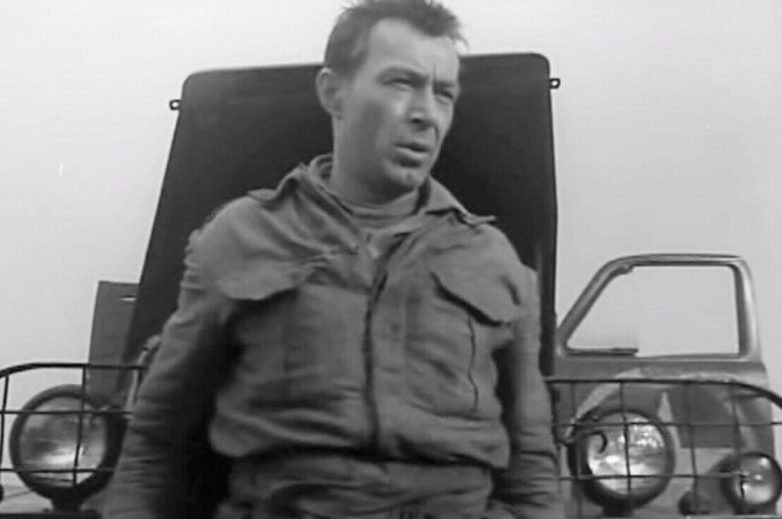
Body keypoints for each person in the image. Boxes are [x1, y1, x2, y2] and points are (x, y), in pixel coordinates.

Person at [103, 0, 564, 518]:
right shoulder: (241, 237)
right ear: (333, 92)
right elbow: (157, 443)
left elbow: (532, 465)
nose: (425, 114)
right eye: (401, 82)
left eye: (444, 93)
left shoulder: (493, 260)